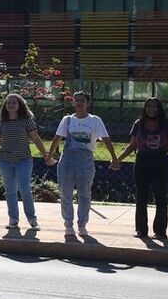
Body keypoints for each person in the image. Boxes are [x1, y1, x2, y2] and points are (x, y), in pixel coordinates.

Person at [0, 93, 53, 230]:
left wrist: (45, 155)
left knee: (24, 189)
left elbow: (36, 138)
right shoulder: (0, 123)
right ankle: (13, 220)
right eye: (8, 103)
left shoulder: (27, 121)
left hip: (24, 160)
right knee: (10, 191)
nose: (11, 105)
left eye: (14, 103)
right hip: (5, 161)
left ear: (19, 105)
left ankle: (32, 219)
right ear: (5, 106)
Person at [46, 91, 119, 237]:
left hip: (85, 160)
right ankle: (68, 224)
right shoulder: (67, 120)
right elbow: (57, 138)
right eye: (76, 100)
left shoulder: (95, 120)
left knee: (84, 193)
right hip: (67, 159)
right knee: (65, 193)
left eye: (82, 100)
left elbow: (106, 139)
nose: (79, 103)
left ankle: (82, 224)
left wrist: (114, 158)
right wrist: (50, 155)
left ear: (88, 103)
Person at [116, 97, 168, 240]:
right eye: (149, 106)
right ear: (145, 108)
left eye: (155, 107)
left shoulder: (167, 125)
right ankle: (141, 230)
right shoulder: (138, 124)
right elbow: (132, 146)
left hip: (161, 161)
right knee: (141, 196)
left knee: (160, 197)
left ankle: (160, 231)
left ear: (159, 109)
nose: (152, 109)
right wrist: (118, 159)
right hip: (143, 160)